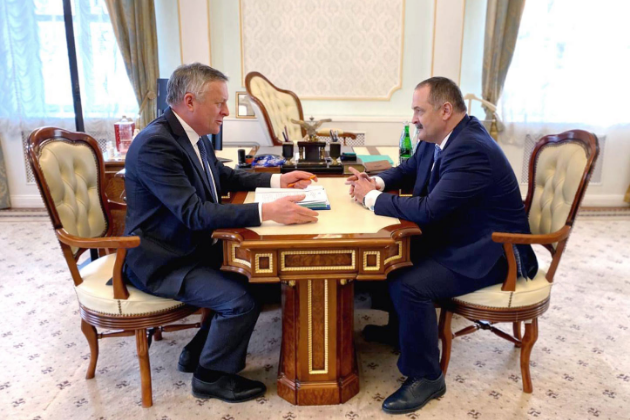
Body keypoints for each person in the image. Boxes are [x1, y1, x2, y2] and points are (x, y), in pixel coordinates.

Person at [123, 63, 318, 403]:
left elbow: (223, 177)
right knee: (239, 301)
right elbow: (194, 213)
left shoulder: (191, 135)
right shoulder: (157, 145)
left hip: (189, 248)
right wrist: (267, 212)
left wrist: (277, 179)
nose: (226, 111)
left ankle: (197, 352)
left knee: (259, 276)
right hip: (164, 261)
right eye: (220, 103)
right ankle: (210, 377)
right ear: (190, 101)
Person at [347, 77, 537, 415]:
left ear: (445, 110)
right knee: (389, 257)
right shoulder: (436, 137)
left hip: (494, 252)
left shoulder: (471, 149)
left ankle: (427, 377)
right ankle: (401, 332)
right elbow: (408, 170)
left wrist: (371, 199)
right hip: (462, 235)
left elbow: (431, 210)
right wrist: (374, 181)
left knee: (410, 283)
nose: (413, 119)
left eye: (419, 111)